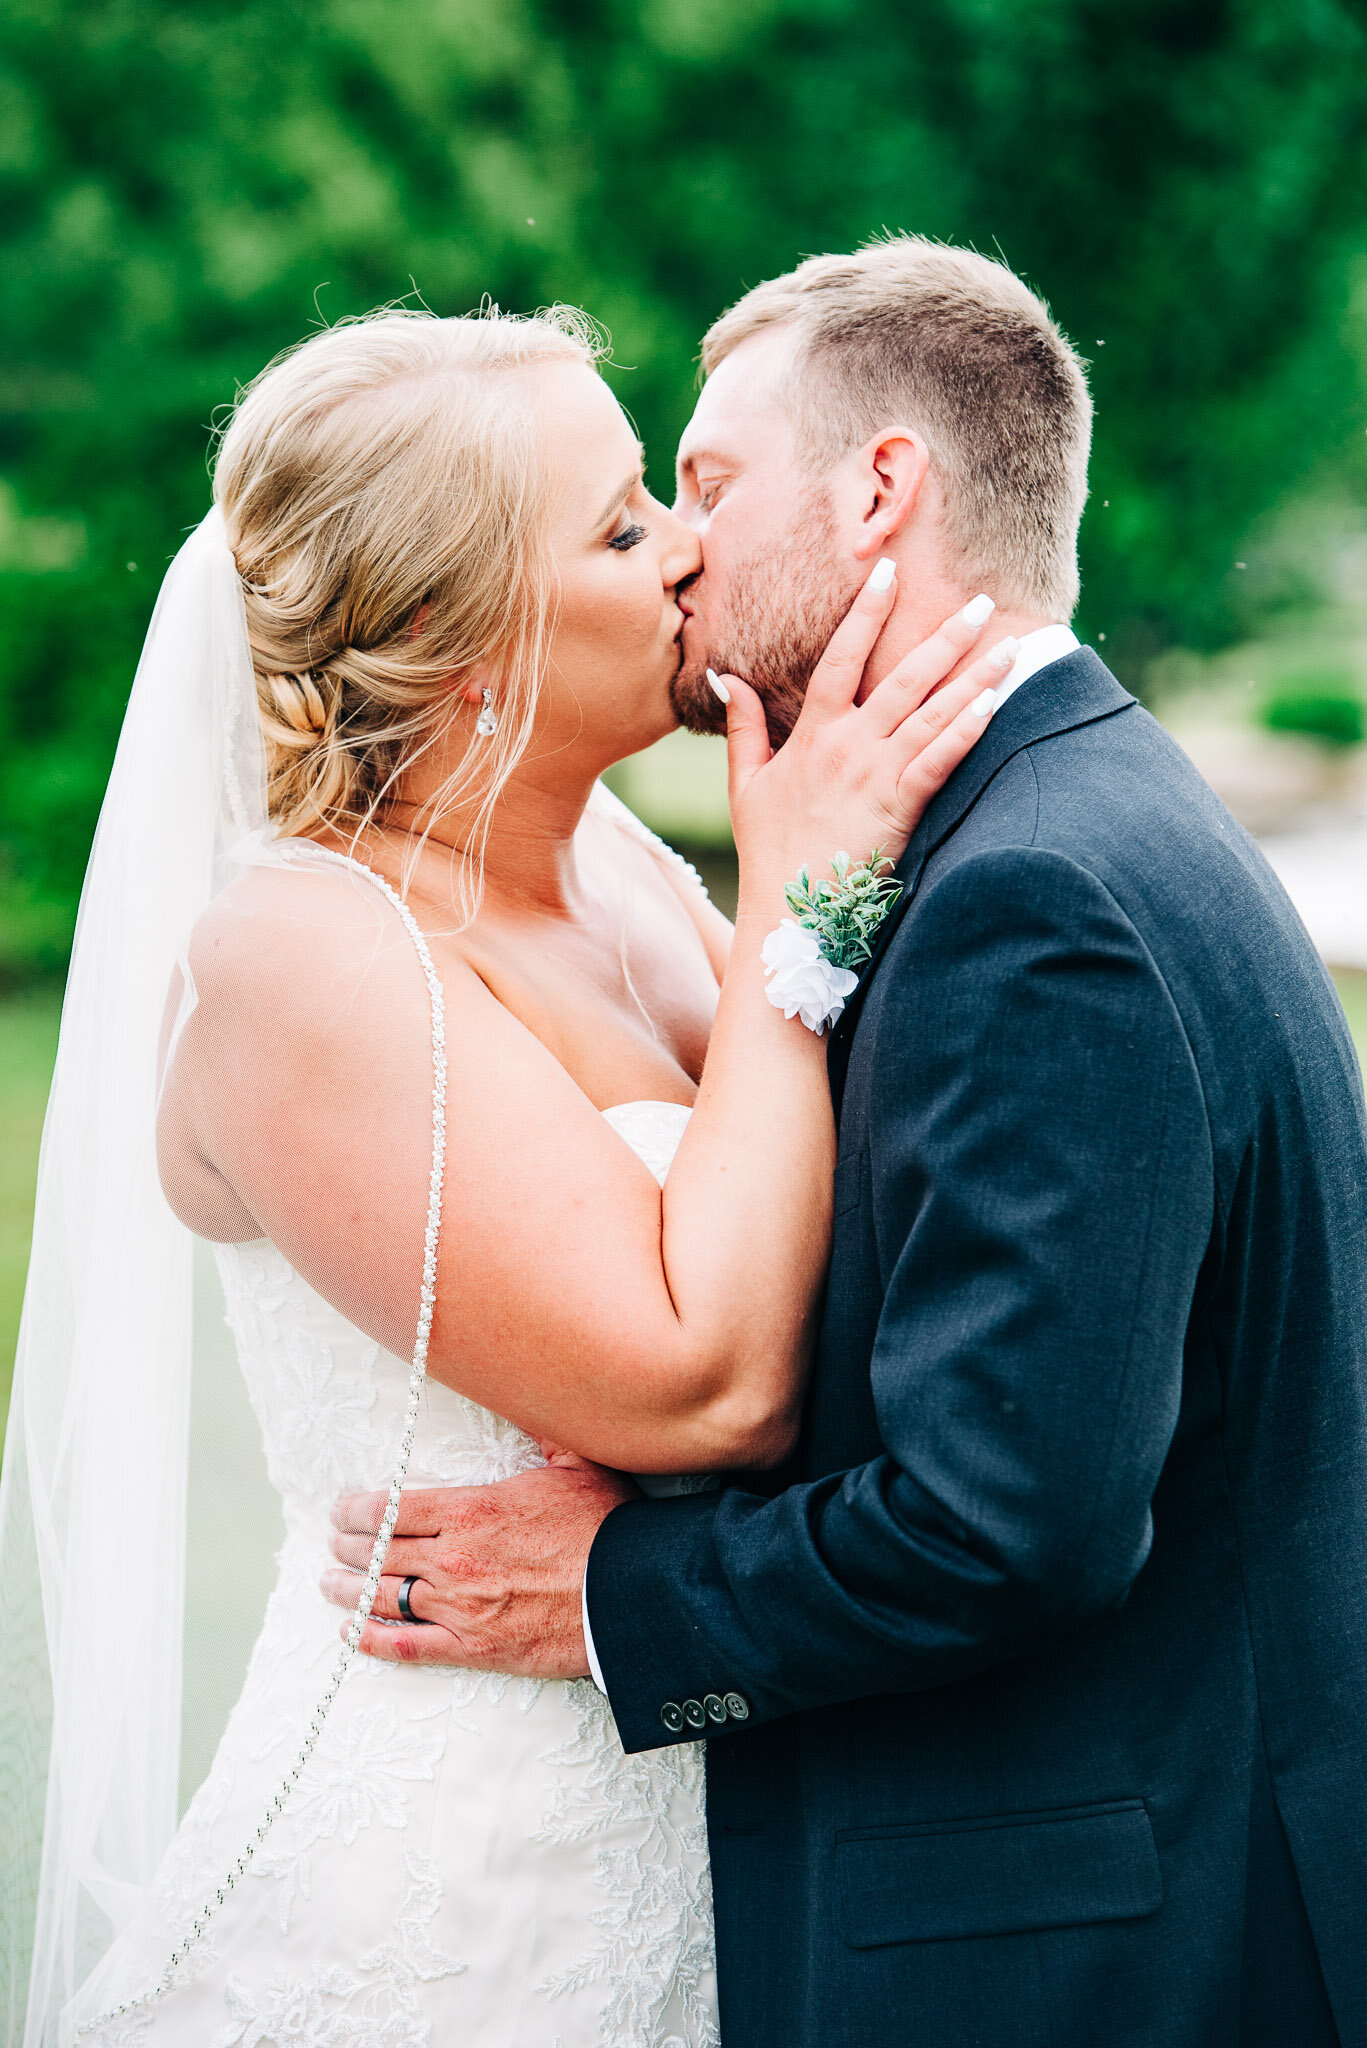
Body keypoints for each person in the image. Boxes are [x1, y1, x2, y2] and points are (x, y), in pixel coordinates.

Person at [329, 240, 1367, 2047]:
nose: (683, 548)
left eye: (709, 484)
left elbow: (1007, 1524)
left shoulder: (1034, 898)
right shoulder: (1043, 820)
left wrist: (603, 1592)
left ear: (884, 487)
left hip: (1086, 1957)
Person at [0, 297, 1009, 2045]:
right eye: (623, 526)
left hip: (718, 1817)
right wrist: (808, 894)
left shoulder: (610, 865)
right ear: (456, 643)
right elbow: (705, 1386)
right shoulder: (301, 958)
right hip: (458, 1905)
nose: (695, 547)